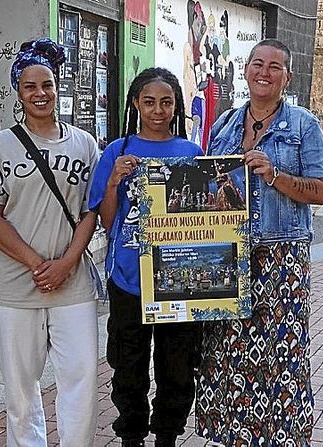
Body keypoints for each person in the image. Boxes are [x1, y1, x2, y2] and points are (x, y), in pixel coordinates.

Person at [195, 39, 323, 446]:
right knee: (225, 350)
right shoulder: (223, 125)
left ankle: (283, 438)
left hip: (281, 257)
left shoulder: (303, 125)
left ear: (287, 77)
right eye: (258, 64)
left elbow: (321, 190)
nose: (264, 72)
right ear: (246, 70)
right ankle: (233, 437)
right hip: (227, 255)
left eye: (275, 67)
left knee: (282, 354)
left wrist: (274, 175)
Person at [0, 39, 99, 446]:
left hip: (72, 283)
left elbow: (89, 212)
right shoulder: (0, 145)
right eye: (30, 87)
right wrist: (35, 262)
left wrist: (65, 263)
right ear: (19, 93)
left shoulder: (84, 144)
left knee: (81, 380)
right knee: (21, 392)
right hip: (12, 285)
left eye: (47, 84)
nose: (40, 93)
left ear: (57, 86)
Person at [89, 67, 203, 447]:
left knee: (177, 364)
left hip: (178, 279)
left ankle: (167, 434)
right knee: (128, 363)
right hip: (128, 279)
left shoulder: (193, 153)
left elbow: (205, 220)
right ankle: (131, 435)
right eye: (150, 102)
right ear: (136, 103)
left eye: (166, 102)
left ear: (176, 106)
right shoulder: (117, 151)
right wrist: (113, 182)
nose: (158, 110)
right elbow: (107, 221)